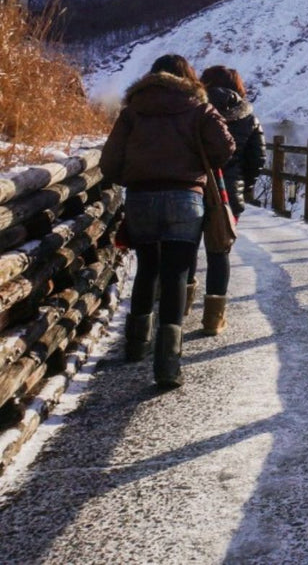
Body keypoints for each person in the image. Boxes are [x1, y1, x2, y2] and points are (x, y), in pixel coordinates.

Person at [101, 54, 234, 389]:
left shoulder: (133, 111)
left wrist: (133, 177)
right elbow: (225, 147)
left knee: (147, 267)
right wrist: (197, 164)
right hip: (184, 197)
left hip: (141, 197)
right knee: (176, 271)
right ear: (188, 78)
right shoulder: (199, 107)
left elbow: (109, 162)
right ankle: (167, 363)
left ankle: (135, 343)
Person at [190, 65, 265, 334]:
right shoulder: (247, 116)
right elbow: (258, 159)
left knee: (187, 247)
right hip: (228, 192)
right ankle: (213, 319)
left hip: (193, 187)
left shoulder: (193, 109)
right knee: (219, 251)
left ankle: (184, 302)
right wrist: (242, 185)